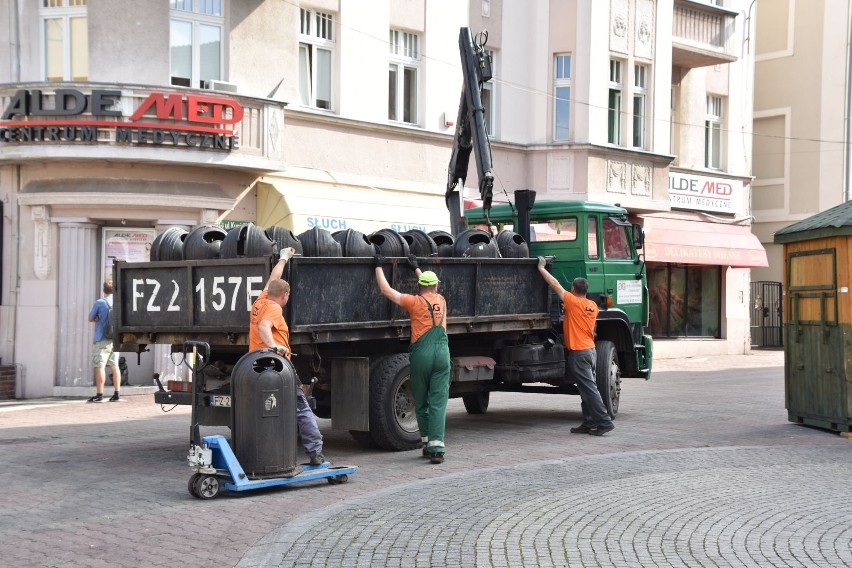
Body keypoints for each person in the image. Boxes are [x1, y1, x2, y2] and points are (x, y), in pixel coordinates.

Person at [249, 247, 327, 466]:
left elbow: (273, 279)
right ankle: (315, 453)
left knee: (266, 411)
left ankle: (262, 454)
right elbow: (265, 327)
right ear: (285, 296)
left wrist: (283, 258)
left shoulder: (261, 300)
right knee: (302, 408)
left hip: (255, 368)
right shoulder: (273, 308)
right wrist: (274, 346)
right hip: (276, 368)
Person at [374, 254, 451, 464]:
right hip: (442, 354)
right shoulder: (441, 301)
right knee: (438, 402)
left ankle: (426, 443)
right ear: (435, 286)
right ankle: (437, 447)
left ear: (419, 286)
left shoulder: (414, 302)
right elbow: (430, 287)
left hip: (421, 355)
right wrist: (417, 267)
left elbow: (386, 291)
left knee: (421, 400)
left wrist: (378, 266)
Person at [537, 257, 614, 436]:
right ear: (585, 291)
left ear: (573, 289)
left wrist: (541, 268)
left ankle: (604, 421)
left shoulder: (573, 302)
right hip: (591, 351)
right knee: (586, 387)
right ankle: (588, 423)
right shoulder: (592, 306)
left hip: (579, 353)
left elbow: (554, 284)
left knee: (589, 388)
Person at [87, 281, 121, 402]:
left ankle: (99, 394)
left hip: (102, 339)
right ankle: (117, 393)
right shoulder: (118, 302)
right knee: (115, 366)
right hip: (115, 339)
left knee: (99, 366)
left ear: (104, 290)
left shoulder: (100, 302)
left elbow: (90, 318)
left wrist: (97, 318)